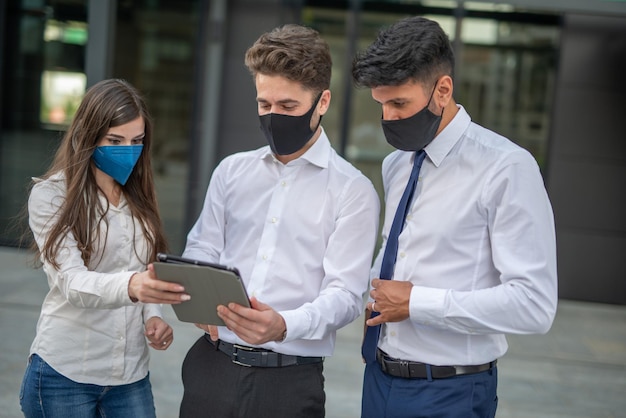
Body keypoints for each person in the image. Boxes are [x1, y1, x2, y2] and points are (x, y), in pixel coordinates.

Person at [352, 16, 558, 418]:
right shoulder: (397, 165)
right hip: (378, 380)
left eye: (399, 103)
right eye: (381, 105)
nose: (388, 118)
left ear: (442, 90)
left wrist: (417, 302)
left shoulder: (507, 168)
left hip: (451, 391)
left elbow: (534, 304)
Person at [178, 24, 380, 418]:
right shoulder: (231, 171)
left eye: (287, 107)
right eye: (264, 105)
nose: (273, 117)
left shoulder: (353, 191)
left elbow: (345, 296)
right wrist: (200, 299)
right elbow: (201, 248)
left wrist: (284, 325)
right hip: (210, 369)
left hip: (287, 385)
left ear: (322, 102)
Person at [19, 78, 190, 418]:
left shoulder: (138, 195)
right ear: (88, 135)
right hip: (65, 374)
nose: (128, 149)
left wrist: (154, 316)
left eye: (137, 141)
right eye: (115, 140)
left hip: (130, 374)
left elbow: (144, 268)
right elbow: (71, 282)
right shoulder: (51, 196)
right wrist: (132, 286)